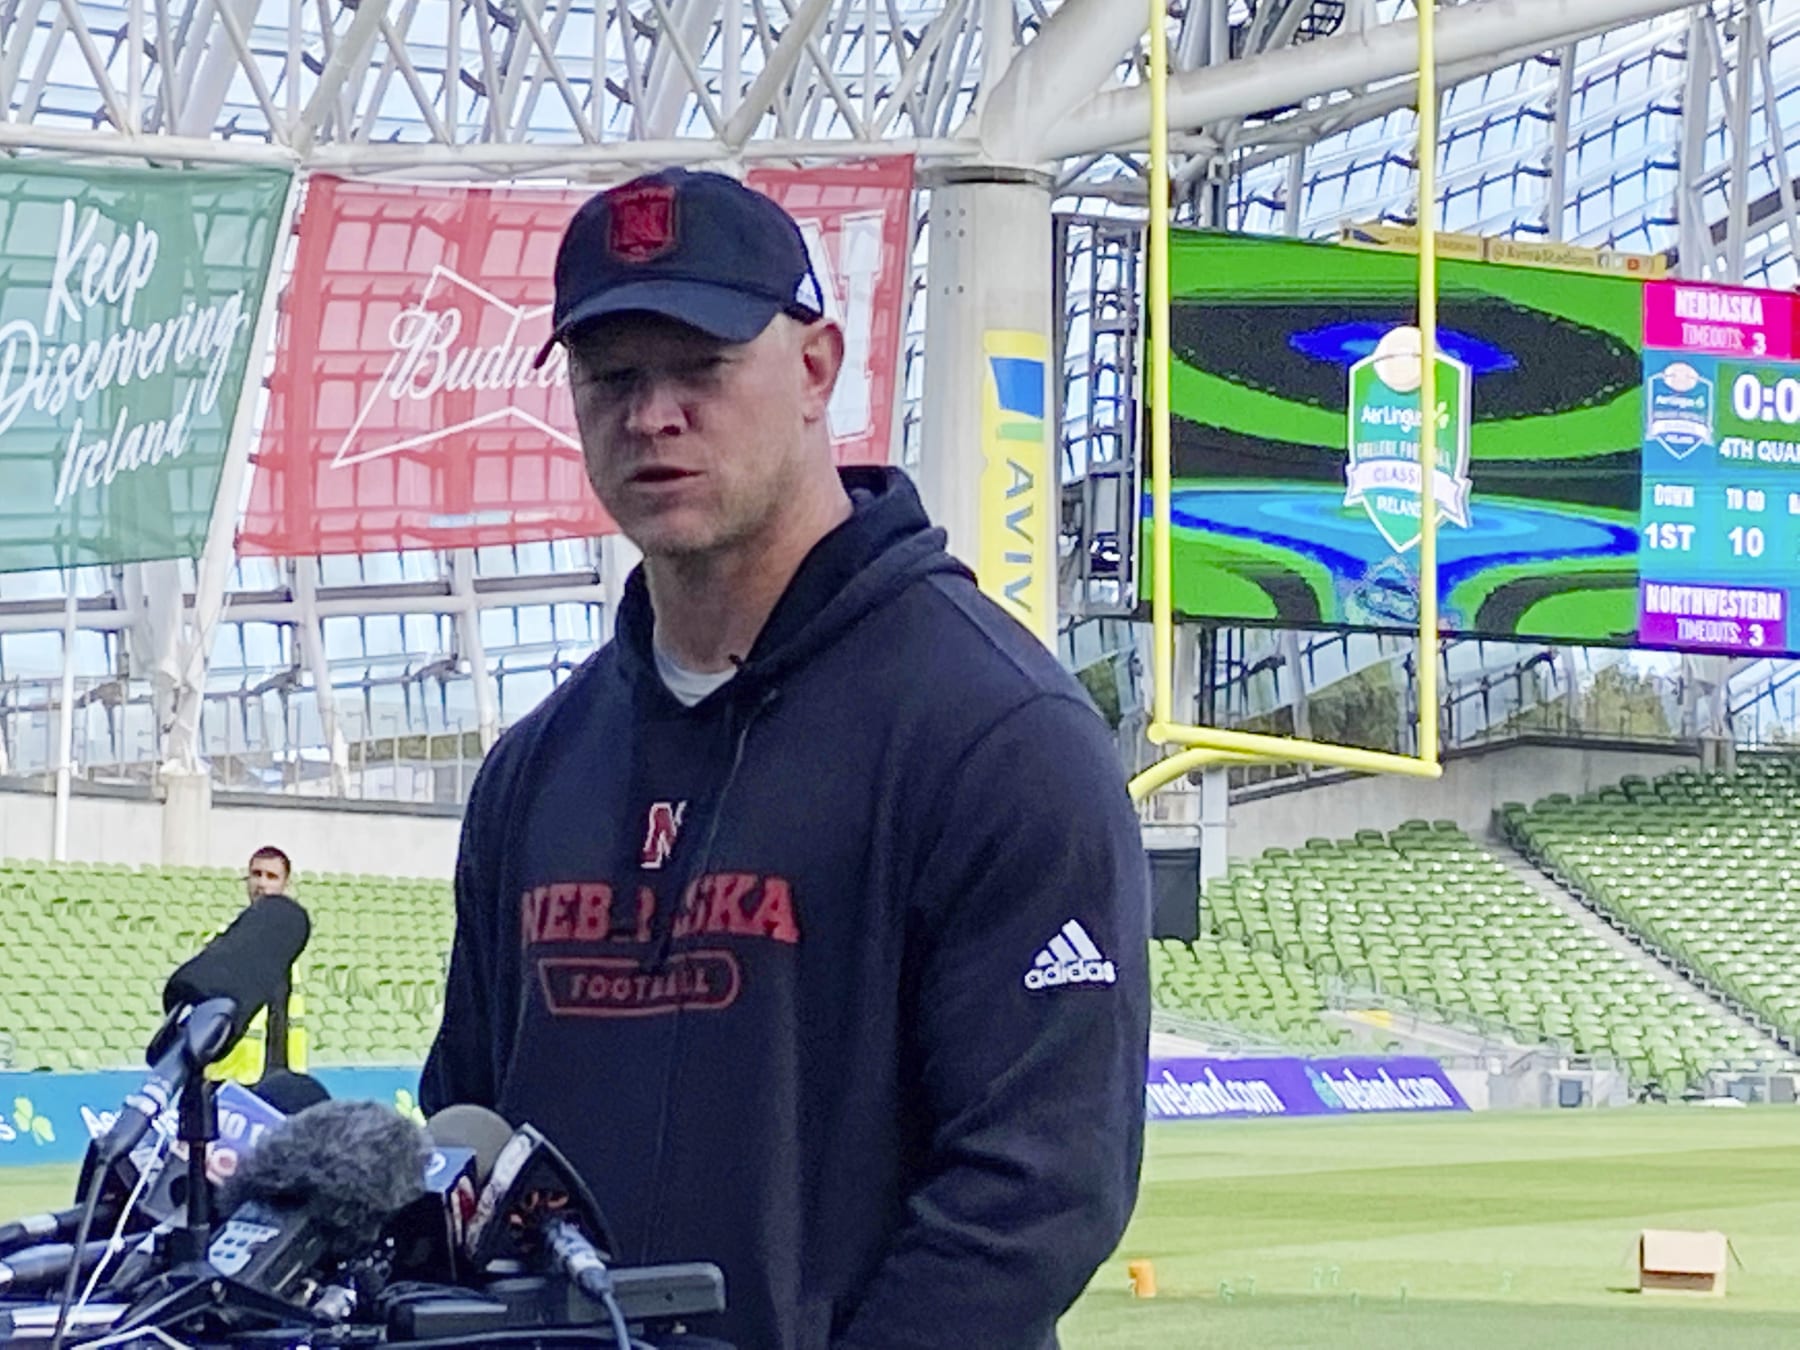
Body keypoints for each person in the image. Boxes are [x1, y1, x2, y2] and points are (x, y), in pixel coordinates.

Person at [421, 167, 1150, 1350]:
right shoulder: (535, 773)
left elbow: (1034, 1193)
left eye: (700, 367)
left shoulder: (998, 736)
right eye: (611, 378)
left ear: (816, 366)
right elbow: (469, 1129)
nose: (652, 415)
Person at [210, 845, 306, 1085]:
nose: (261, 883)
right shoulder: (224, 941)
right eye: (256, 874)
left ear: (286, 884)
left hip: (280, 1077)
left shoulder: (290, 949)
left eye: (271, 876)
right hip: (231, 1076)